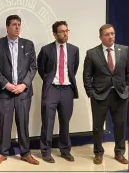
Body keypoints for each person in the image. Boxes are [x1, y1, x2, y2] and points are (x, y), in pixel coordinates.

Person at [0, 15, 39, 165]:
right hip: (4, 92)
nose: (17, 27)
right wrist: (7, 84)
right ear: (7, 27)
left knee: (23, 123)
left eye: (19, 24)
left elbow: (33, 67)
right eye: (13, 24)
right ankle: (2, 153)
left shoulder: (28, 44)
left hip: (23, 92)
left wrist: (24, 85)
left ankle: (25, 152)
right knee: (4, 123)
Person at [83, 24, 129, 165]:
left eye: (112, 33)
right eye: (107, 34)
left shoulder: (125, 50)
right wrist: (91, 93)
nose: (111, 36)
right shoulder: (92, 53)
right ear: (100, 37)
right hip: (99, 96)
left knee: (120, 125)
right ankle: (98, 153)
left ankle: (119, 153)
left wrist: (126, 88)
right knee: (97, 127)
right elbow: (87, 75)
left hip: (120, 95)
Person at [37, 21, 79, 163]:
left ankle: (65, 150)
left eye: (67, 30)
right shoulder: (46, 50)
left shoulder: (74, 50)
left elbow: (74, 69)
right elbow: (41, 69)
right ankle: (46, 151)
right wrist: (50, 81)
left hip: (67, 89)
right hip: (52, 89)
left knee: (65, 122)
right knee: (47, 122)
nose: (65, 33)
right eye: (61, 31)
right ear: (54, 34)